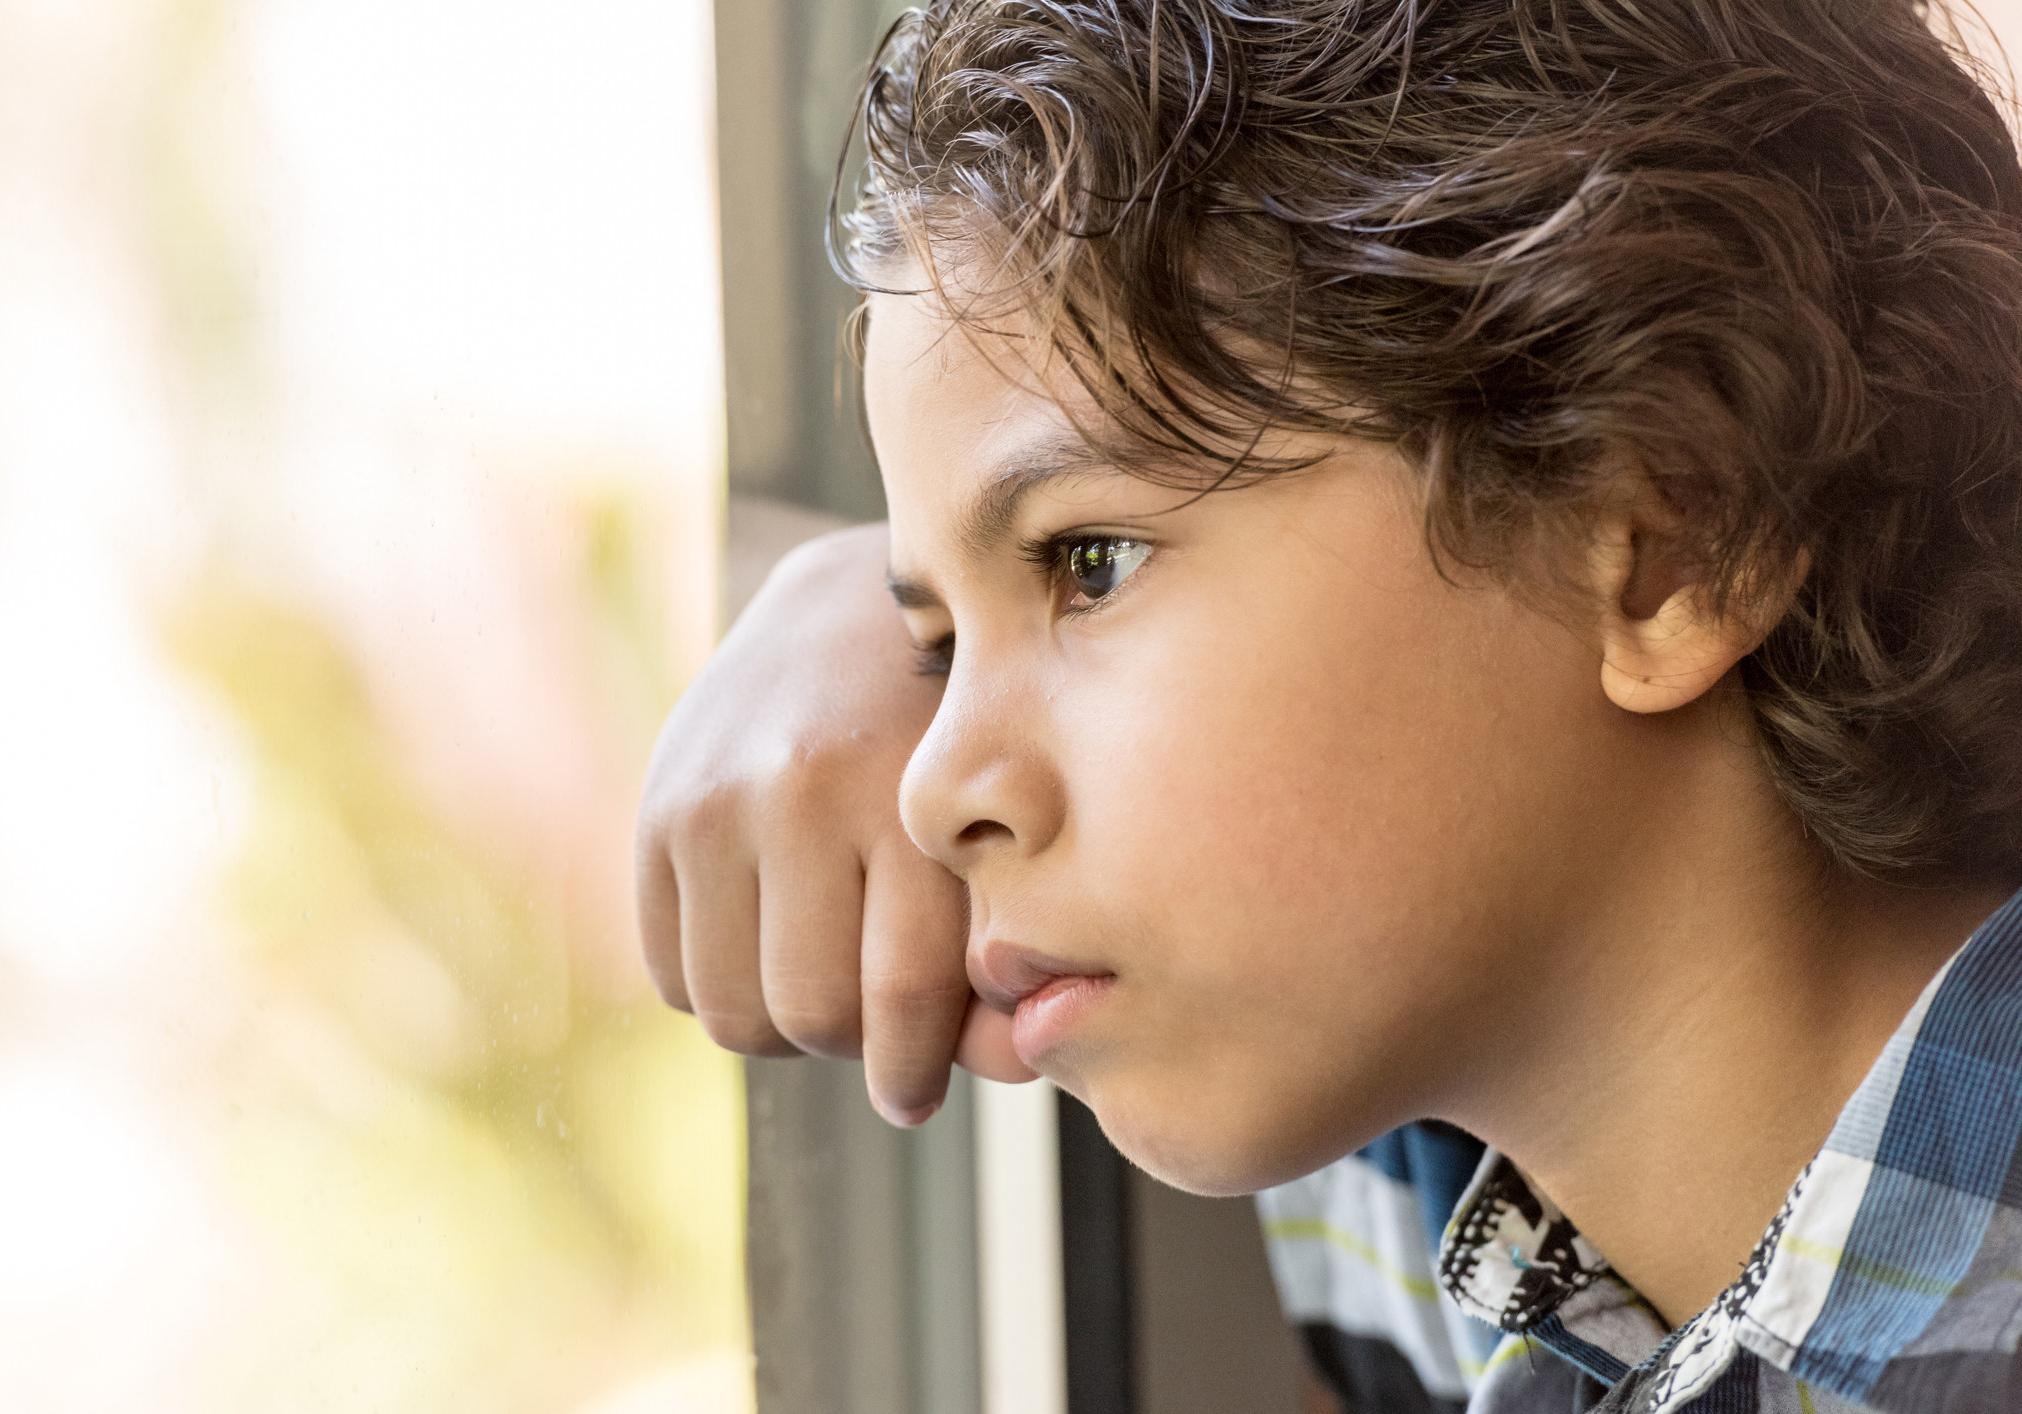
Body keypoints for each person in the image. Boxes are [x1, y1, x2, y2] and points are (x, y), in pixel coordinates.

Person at [637, 1, 2022, 1409]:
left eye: (1089, 561)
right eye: (936, 634)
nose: (935, 787)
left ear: (1669, 544)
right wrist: (863, 606)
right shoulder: (1421, 1143)